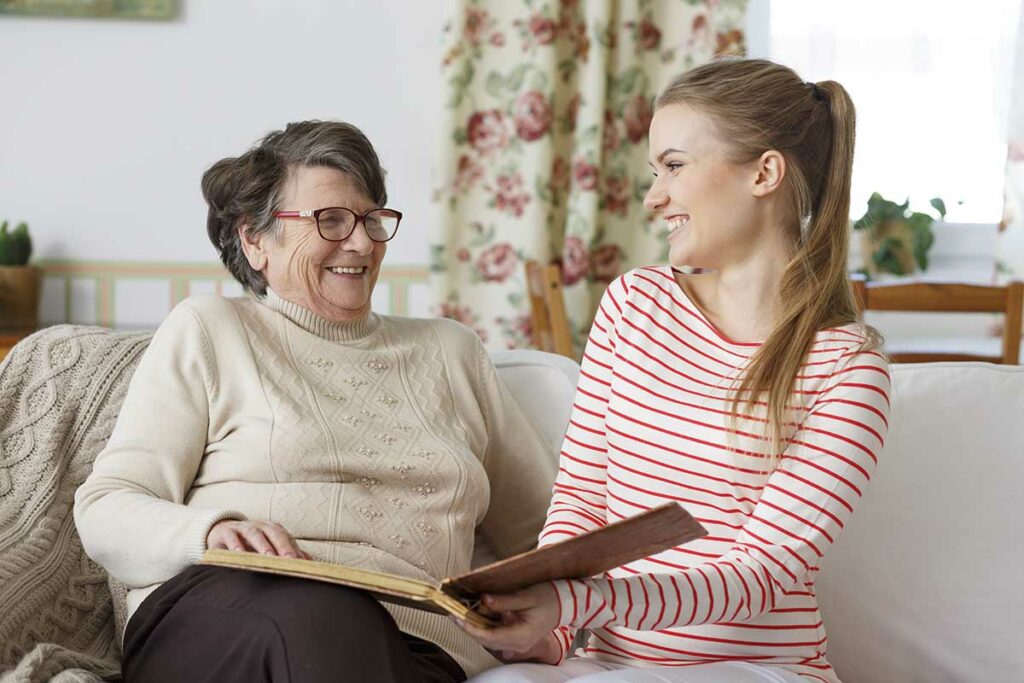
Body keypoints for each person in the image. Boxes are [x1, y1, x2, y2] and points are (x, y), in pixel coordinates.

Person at [73, 120, 557, 683]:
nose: (360, 242)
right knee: (325, 615)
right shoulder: (210, 330)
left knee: (350, 636)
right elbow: (108, 506)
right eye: (330, 220)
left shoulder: (452, 351)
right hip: (228, 609)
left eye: (372, 220)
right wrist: (209, 532)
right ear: (255, 239)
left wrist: (559, 618)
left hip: (419, 643)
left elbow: (550, 529)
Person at [457, 58, 891, 683]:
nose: (653, 196)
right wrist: (548, 629)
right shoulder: (635, 303)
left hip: (758, 669)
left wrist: (581, 600)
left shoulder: (848, 370)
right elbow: (582, 498)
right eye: (654, 171)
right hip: (603, 662)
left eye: (675, 166)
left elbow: (760, 575)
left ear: (765, 173)